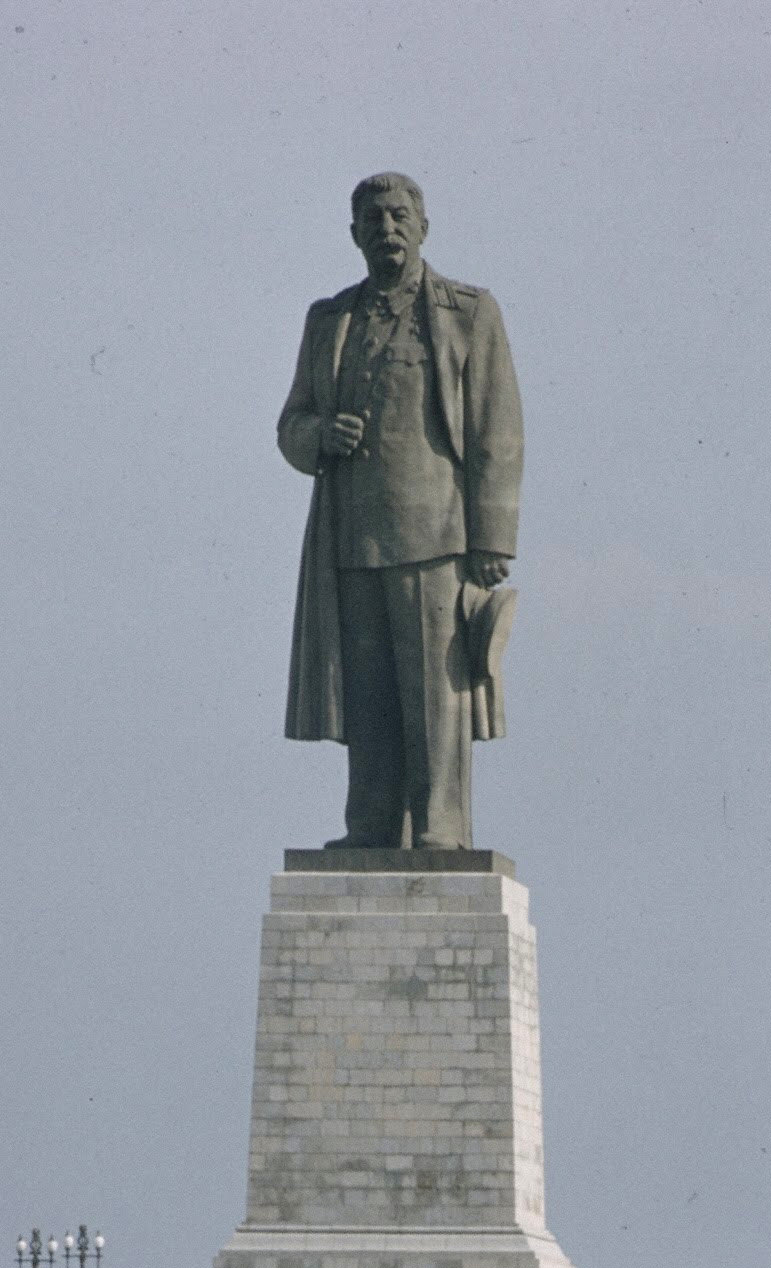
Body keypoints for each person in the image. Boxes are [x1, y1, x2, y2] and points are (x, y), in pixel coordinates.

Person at [277, 173, 524, 850]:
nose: (386, 228)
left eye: (398, 216)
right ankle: (371, 824)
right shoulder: (330, 320)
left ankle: (441, 829)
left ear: (422, 227)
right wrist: (318, 436)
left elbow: (497, 431)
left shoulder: (466, 313)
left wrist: (493, 537)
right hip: (351, 540)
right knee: (367, 695)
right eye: (373, 218)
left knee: (434, 699)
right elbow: (290, 423)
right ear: (354, 233)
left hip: (436, 537)